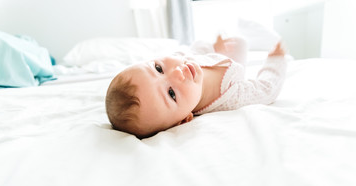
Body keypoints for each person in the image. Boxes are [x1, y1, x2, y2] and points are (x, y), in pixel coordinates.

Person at [105, 35, 287, 138]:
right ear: (184, 119)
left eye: (158, 68)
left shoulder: (181, 60)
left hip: (219, 60)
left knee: (239, 41)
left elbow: (194, 50)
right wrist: (275, 60)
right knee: (241, 50)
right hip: (235, 76)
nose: (176, 72)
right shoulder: (230, 96)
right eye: (171, 93)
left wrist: (212, 46)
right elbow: (267, 88)